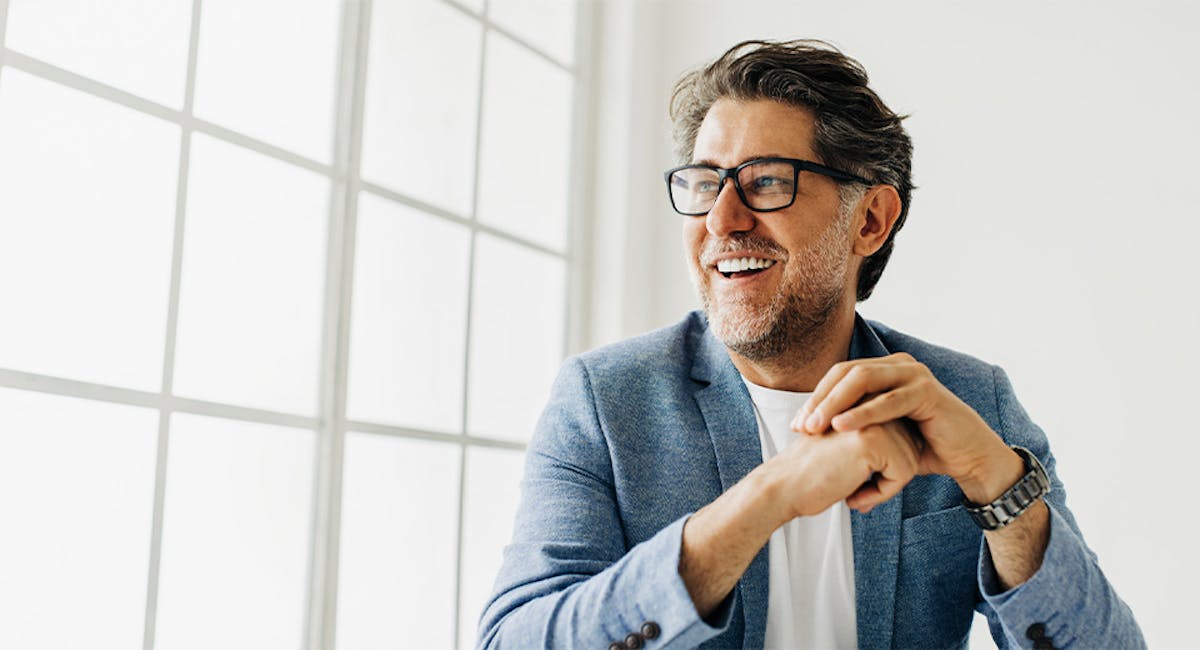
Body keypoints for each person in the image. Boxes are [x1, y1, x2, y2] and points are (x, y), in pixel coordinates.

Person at [478, 39, 1144, 649]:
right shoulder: (604, 401)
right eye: (706, 182)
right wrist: (768, 497)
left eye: (766, 180)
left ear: (872, 220)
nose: (721, 220)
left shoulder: (971, 403)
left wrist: (999, 487)